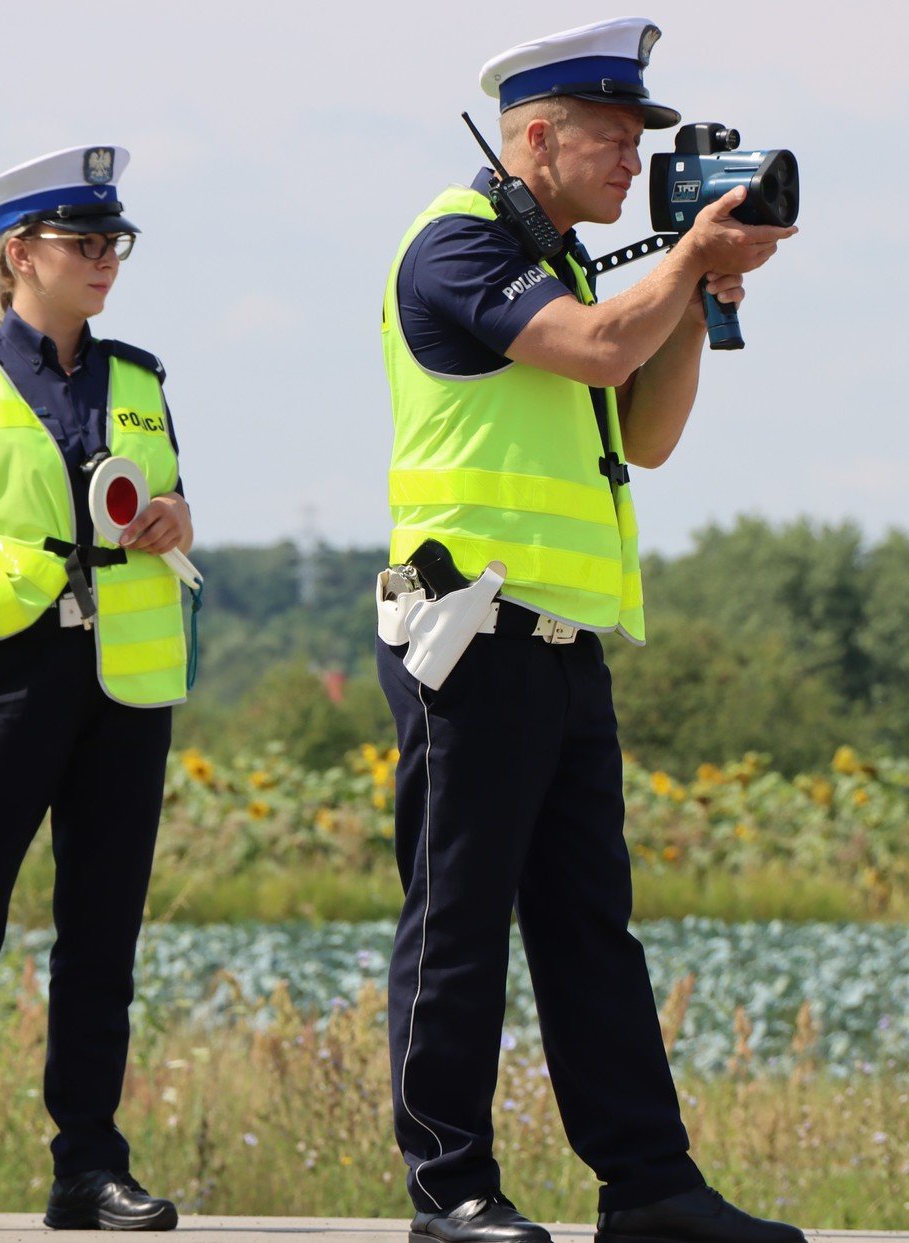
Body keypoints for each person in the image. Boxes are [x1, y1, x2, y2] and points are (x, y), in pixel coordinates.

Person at [375, 18, 803, 1243]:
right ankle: (449, 1189)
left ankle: (650, 1186)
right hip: (470, 639)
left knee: (587, 930)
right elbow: (605, 345)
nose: (635, 162)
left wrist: (702, 294)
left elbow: (648, 425)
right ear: (537, 136)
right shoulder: (454, 245)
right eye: (613, 138)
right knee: (456, 923)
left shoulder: (560, 264)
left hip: (562, 643)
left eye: (640, 138)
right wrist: (676, 273)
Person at [0, 145, 193, 1233]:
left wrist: (172, 521)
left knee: (101, 940)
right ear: (21, 253)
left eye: (116, 242)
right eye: (85, 242)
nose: (107, 259)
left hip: (122, 692)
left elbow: (173, 510)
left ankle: (88, 1169)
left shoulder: (144, 377)